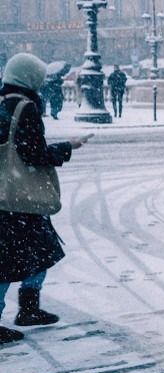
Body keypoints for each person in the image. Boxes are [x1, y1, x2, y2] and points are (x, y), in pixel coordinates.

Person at [0, 53, 91, 344]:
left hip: (4, 194)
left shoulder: (3, 103)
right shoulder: (24, 107)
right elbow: (33, 154)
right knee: (22, 257)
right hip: (21, 197)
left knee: (33, 252)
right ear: (30, 78)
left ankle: (29, 308)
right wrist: (68, 147)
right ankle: (27, 308)